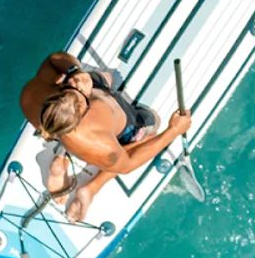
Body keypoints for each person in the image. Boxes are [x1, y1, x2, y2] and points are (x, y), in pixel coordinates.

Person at [19, 51, 192, 221]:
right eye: (80, 94)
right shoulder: (96, 142)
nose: (80, 87)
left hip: (68, 126)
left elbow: (54, 59)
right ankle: (91, 189)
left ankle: (61, 157)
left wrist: (75, 73)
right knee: (154, 123)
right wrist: (174, 130)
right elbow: (127, 164)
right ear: (82, 111)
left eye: (71, 88)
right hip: (125, 124)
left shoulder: (32, 94)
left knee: (112, 77)